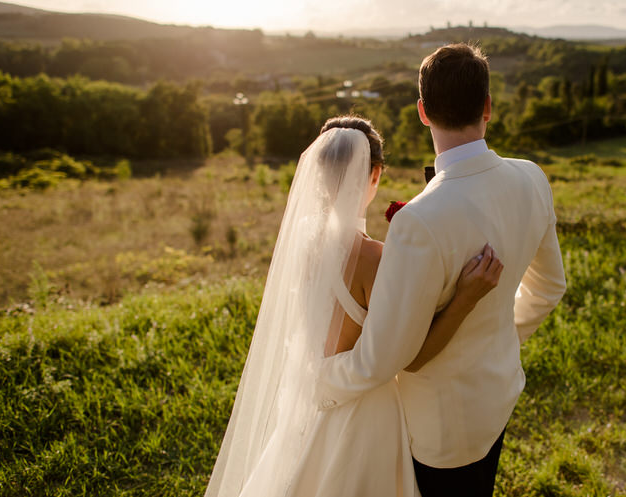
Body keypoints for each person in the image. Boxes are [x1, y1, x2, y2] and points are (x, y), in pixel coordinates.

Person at [316, 44, 568, 497]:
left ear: (422, 112)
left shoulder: (417, 220)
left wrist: (316, 378)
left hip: (439, 427)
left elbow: (386, 358)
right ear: (488, 107)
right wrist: (495, 337)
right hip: (499, 395)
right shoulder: (532, 177)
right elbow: (549, 288)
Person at [205, 115, 503, 497]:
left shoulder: (300, 237)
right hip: (366, 416)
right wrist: (464, 296)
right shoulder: (374, 258)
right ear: (375, 173)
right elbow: (408, 352)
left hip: (308, 407)